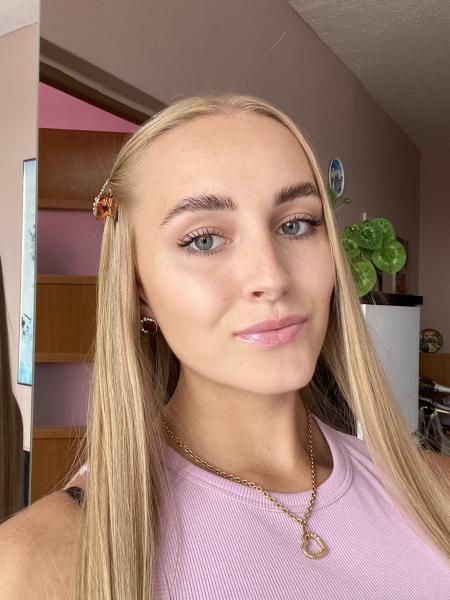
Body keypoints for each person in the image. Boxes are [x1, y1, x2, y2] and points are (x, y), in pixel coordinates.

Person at [0, 93, 449, 599]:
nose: (272, 277)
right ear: (139, 288)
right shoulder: (41, 563)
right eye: (204, 240)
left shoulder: (436, 491)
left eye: (296, 224)